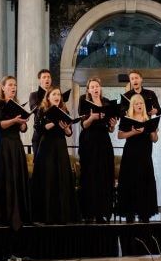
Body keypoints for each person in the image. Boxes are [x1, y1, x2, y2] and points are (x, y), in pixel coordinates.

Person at [0, 76, 31, 229]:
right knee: (3, 178)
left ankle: (18, 214)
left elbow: (23, 129)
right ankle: (2, 215)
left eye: (15, 85)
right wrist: (14, 121)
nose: (13, 87)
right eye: (10, 85)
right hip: (2, 143)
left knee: (16, 178)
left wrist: (23, 123)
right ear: (3, 88)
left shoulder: (17, 105)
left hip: (16, 144)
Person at [31, 86, 79, 224]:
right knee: (48, 178)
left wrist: (66, 128)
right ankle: (46, 215)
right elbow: (39, 128)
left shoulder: (64, 110)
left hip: (60, 146)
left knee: (61, 177)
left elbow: (69, 133)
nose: (57, 96)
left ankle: (62, 215)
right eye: (54, 94)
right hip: (46, 147)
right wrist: (53, 122)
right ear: (48, 97)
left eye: (59, 94)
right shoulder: (42, 110)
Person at [78, 77, 117, 224]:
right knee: (89, 174)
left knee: (104, 175)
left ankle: (102, 212)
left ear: (100, 88)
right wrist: (92, 117)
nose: (95, 89)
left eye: (97, 86)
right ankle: (89, 212)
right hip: (88, 140)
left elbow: (110, 128)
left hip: (103, 140)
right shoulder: (84, 101)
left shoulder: (106, 102)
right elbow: (84, 125)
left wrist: (112, 125)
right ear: (88, 89)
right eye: (92, 87)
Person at [116, 94, 159, 223]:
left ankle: (144, 213)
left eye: (141, 103)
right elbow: (120, 135)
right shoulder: (127, 119)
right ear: (132, 105)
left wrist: (154, 131)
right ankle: (130, 213)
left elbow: (155, 140)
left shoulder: (148, 119)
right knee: (130, 183)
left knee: (144, 183)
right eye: (136, 103)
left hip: (145, 156)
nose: (139, 105)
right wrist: (133, 132)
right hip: (130, 156)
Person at [29, 69, 53, 156]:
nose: (47, 79)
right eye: (44, 77)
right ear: (40, 80)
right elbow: (34, 109)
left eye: (49, 77)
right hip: (39, 133)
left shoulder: (55, 95)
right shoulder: (34, 95)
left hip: (53, 134)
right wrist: (45, 98)